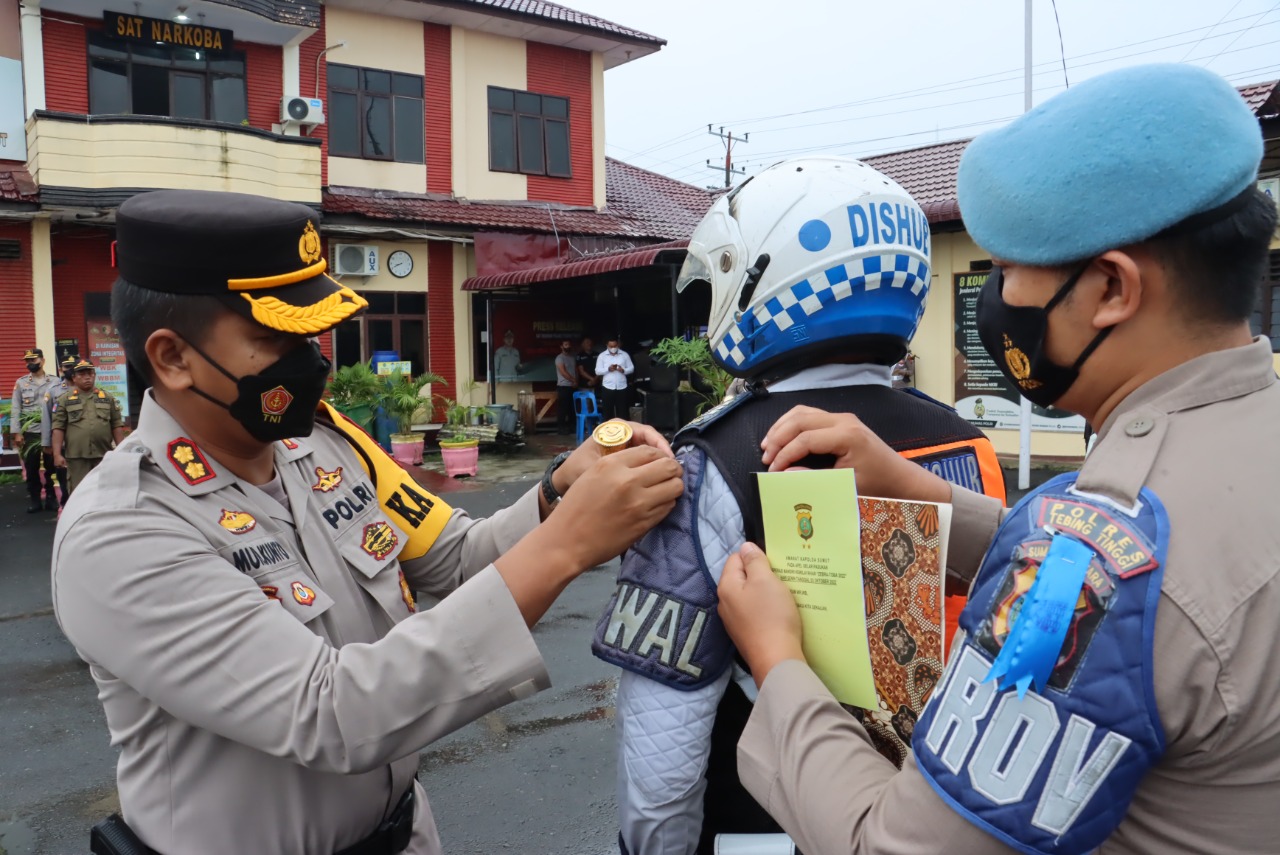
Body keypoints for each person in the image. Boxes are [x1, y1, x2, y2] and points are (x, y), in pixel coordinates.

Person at [716, 64, 1280, 855]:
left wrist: (778, 663)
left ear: (1111, 288)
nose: (998, 297)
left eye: (1010, 270)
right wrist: (906, 485)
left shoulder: (1098, 565)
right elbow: (1125, 560)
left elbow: (903, 845)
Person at [50, 188, 684, 855]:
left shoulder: (323, 445)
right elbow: (331, 713)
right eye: (275, 339)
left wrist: (558, 492)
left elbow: (459, 559)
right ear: (173, 356)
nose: (312, 361)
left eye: (312, 333)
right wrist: (567, 543)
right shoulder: (123, 529)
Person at [592, 156, 1006, 855]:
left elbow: (666, 732)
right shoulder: (963, 436)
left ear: (764, 279)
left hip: (772, 815)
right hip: (949, 799)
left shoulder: (712, 458)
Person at [50, 358, 125, 495]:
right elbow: (58, 428)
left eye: (90, 373)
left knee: (105, 492)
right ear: (74, 377)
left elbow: (116, 425)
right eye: (82, 374)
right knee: (79, 493)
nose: (87, 377)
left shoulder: (107, 398)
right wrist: (57, 454)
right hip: (77, 457)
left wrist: (121, 450)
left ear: (94, 375)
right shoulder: (64, 400)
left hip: (103, 455)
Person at [9, 347, 60, 512]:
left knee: (52, 467)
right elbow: (16, 409)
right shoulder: (21, 383)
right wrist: (17, 433)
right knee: (31, 468)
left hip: (51, 431)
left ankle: (52, 498)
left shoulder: (55, 382)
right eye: (28, 361)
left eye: (34, 360)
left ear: (43, 361)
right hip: (30, 431)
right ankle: (35, 500)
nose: (30, 364)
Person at [41, 355, 77, 508]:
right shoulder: (53, 391)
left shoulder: (86, 388)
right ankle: (65, 507)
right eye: (66, 367)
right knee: (63, 478)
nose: (69, 370)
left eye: (72, 367)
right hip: (61, 443)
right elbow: (46, 418)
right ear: (60, 369)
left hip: (81, 442)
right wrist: (46, 443)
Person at [596, 338, 634, 420]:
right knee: (607, 412)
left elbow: (631, 368)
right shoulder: (602, 356)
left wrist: (623, 370)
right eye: (611, 346)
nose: (613, 348)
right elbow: (597, 371)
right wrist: (608, 369)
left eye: (615, 346)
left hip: (622, 386)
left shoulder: (624, 355)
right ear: (607, 346)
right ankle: (608, 431)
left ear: (618, 345)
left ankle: (623, 431)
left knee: (623, 411)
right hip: (607, 387)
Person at [555, 339, 577, 434]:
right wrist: (573, 380)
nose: (568, 346)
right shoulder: (559, 358)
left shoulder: (572, 357)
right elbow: (563, 372)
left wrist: (576, 381)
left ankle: (572, 427)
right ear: (561, 346)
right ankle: (561, 428)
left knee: (572, 409)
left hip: (573, 386)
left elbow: (576, 370)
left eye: (569, 344)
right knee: (563, 409)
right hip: (563, 386)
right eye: (565, 344)